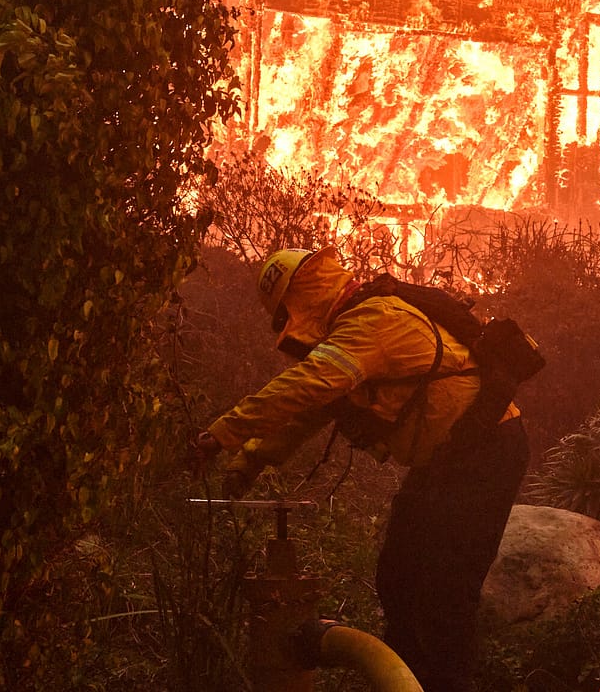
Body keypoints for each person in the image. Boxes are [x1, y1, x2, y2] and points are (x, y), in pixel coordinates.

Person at [194, 246, 529, 692]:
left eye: (283, 317)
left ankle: (442, 684)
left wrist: (220, 434)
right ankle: (406, 680)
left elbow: (306, 385)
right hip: (449, 457)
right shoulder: (351, 330)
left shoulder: (372, 322)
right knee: (398, 577)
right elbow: (311, 410)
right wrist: (248, 461)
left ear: (302, 301)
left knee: (445, 589)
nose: (286, 331)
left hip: (487, 451)